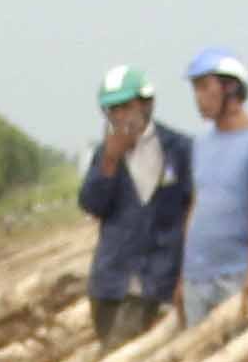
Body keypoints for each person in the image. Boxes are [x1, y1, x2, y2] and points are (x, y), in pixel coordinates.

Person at [74, 65, 190, 341]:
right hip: (112, 282)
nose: (119, 116)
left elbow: (192, 211)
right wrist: (110, 161)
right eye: (111, 110)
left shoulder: (179, 149)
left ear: (146, 103)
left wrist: (186, 276)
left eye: (125, 106)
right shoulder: (105, 153)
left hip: (160, 279)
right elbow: (92, 204)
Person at [174, 50, 248, 321]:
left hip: (237, 275)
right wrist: (182, 274)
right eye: (195, 90)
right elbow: (197, 206)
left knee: (242, 359)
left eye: (204, 88)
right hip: (198, 278)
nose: (198, 98)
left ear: (230, 88)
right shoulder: (202, 143)